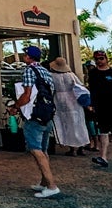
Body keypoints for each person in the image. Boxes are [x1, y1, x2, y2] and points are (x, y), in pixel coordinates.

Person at [8, 45, 60, 198]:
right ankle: (44, 181)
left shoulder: (29, 71)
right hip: (47, 114)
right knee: (43, 150)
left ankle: (51, 185)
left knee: (35, 150)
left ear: (28, 57)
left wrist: (16, 106)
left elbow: (27, 95)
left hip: (34, 115)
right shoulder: (45, 71)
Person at [48, 56, 89, 155]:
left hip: (59, 100)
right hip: (73, 100)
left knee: (66, 124)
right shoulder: (71, 75)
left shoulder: (52, 76)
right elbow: (80, 86)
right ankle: (81, 147)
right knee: (78, 123)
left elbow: (50, 88)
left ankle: (72, 148)